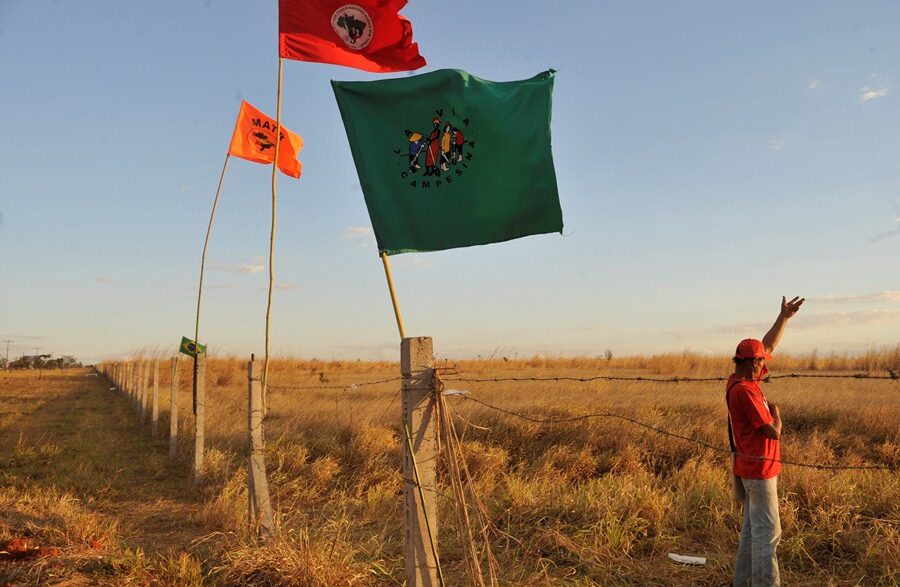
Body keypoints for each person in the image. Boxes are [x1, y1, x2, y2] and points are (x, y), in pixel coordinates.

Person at [726, 295, 804, 587]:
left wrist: (783, 317)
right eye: (761, 361)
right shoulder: (746, 391)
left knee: (751, 533)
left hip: (750, 468)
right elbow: (773, 431)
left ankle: (743, 582)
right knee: (768, 535)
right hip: (760, 472)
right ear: (753, 363)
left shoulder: (740, 379)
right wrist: (777, 414)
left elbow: (767, 345)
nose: (764, 364)